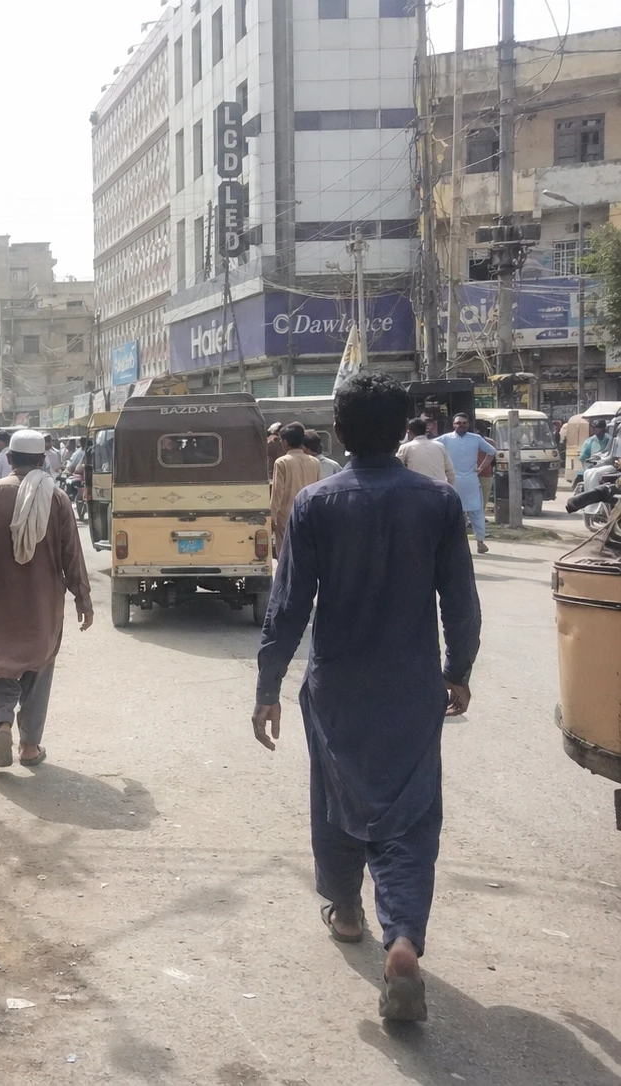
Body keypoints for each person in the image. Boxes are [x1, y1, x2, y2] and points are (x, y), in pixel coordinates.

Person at [253, 372, 481, 1025]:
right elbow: (460, 605)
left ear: (341, 433)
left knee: (336, 797)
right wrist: (458, 670)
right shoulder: (437, 504)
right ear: (408, 429)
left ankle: (348, 912)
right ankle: (404, 937)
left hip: (337, 687)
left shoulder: (317, 505)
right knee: (410, 815)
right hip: (412, 688)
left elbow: (288, 608)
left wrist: (267, 689)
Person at [0, 429, 93, 768]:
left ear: (10, 459)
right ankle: (29, 747)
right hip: (43, 602)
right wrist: (83, 600)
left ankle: (2, 722)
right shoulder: (58, 498)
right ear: (42, 460)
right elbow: (72, 555)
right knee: (38, 668)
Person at [435, 413, 496, 555]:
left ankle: (480, 541)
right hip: (452, 479)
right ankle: (454, 543)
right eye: (458, 423)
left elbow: (491, 451)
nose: (460, 425)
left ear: (468, 425)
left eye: (463, 423)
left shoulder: (475, 439)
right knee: (454, 512)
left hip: (470, 479)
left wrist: (481, 468)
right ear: (453, 424)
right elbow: (431, 447)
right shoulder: (444, 439)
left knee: (476, 511)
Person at [270, 422, 322, 558]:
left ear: (285, 442)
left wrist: (271, 519)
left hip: (286, 517)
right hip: (309, 514)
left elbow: (277, 493)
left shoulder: (282, 462)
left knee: (285, 556)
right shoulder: (314, 462)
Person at [397, 417, 456, 486]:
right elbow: (450, 472)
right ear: (426, 431)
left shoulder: (405, 448)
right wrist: (449, 488)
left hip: (418, 489)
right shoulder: (440, 446)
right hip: (440, 489)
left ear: (409, 432)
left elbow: (396, 470)